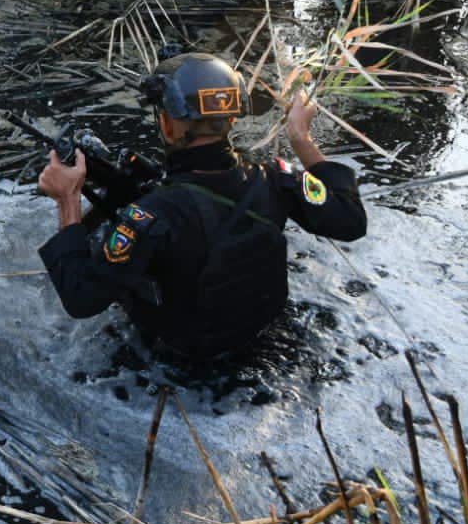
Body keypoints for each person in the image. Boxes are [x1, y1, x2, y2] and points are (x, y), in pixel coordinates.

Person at [35, 52, 368, 360]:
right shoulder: (276, 179)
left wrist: (68, 200)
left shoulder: (152, 214)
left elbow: (81, 299)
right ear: (232, 119)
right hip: (263, 334)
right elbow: (351, 221)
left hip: (182, 357)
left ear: (166, 124)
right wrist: (300, 136)